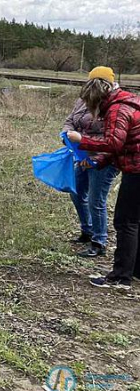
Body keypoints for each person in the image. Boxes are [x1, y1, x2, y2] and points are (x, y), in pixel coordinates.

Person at [66, 66, 140, 290]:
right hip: (133, 166)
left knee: (125, 222)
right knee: (135, 221)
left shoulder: (117, 110)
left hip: (136, 170)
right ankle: (135, 270)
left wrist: (82, 141)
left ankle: (120, 277)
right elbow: (120, 147)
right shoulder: (126, 102)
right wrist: (97, 161)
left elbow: (113, 144)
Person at [63, 67, 120, 257]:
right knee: (77, 192)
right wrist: (67, 134)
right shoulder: (83, 99)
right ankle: (87, 230)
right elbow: (70, 119)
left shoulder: (114, 104)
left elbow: (113, 139)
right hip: (82, 155)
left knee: (96, 199)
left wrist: (94, 156)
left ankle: (99, 241)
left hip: (106, 159)